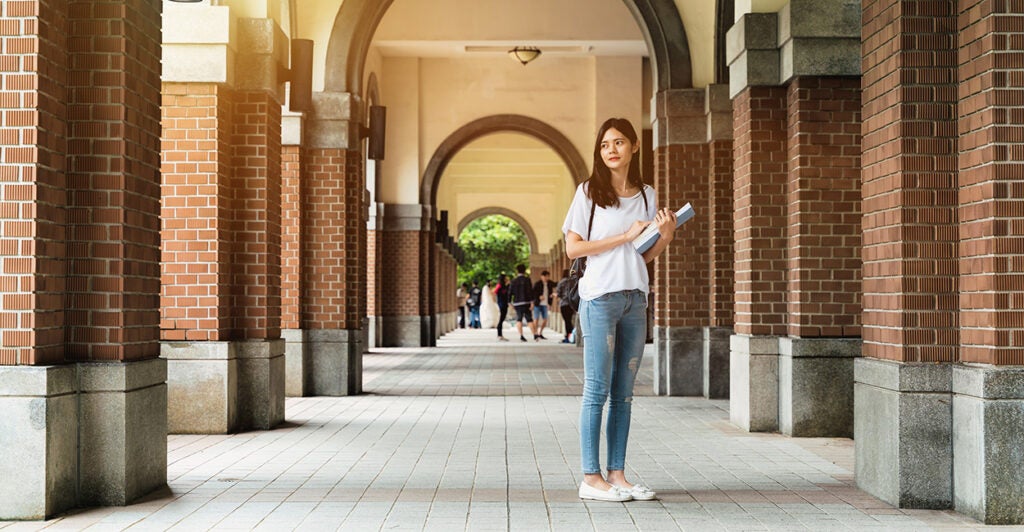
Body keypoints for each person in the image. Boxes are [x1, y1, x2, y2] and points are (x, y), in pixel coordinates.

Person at [562, 117, 677, 503]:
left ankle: (617, 474)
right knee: (596, 389)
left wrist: (665, 236)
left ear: (634, 147)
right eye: (605, 144)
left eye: (619, 142)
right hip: (599, 297)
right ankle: (591, 477)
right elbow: (573, 249)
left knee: (624, 394)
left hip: (635, 298)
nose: (611, 149)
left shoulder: (647, 194)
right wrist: (623, 236)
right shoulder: (588, 192)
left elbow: (643, 256)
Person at [508, 264, 537, 342]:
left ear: (517, 271)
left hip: (517, 303)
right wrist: (532, 302)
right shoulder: (527, 280)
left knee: (519, 319)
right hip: (526, 302)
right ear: (524, 271)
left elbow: (510, 292)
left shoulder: (514, 281)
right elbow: (530, 291)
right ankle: (534, 335)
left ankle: (521, 335)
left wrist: (509, 302)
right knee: (529, 319)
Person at [532, 270, 557, 340]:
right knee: (536, 319)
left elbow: (557, 284)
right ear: (541, 276)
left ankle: (540, 333)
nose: (546, 278)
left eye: (548, 276)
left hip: (545, 304)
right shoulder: (537, 284)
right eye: (545, 276)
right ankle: (536, 333)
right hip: (537, 304)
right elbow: (533, 293)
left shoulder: (550, 283)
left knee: (545, 319)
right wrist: (538, 297)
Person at [555, 268, 576, 344]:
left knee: (567, 322)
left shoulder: (561, 282)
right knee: (570, 321)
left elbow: (558, 293)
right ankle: (571, 336)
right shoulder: (573, 282)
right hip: (572, 304)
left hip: (564, 304)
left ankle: (568, 337)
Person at [494, 274, 510, 341]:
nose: (507, 279)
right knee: (501, 319)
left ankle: (500, 334)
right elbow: (494, 292)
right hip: (501, 303)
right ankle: (499, 334)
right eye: (506, 278)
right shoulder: (499, 286)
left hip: (505, 303)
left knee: (502, 318)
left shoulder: (505, 286)